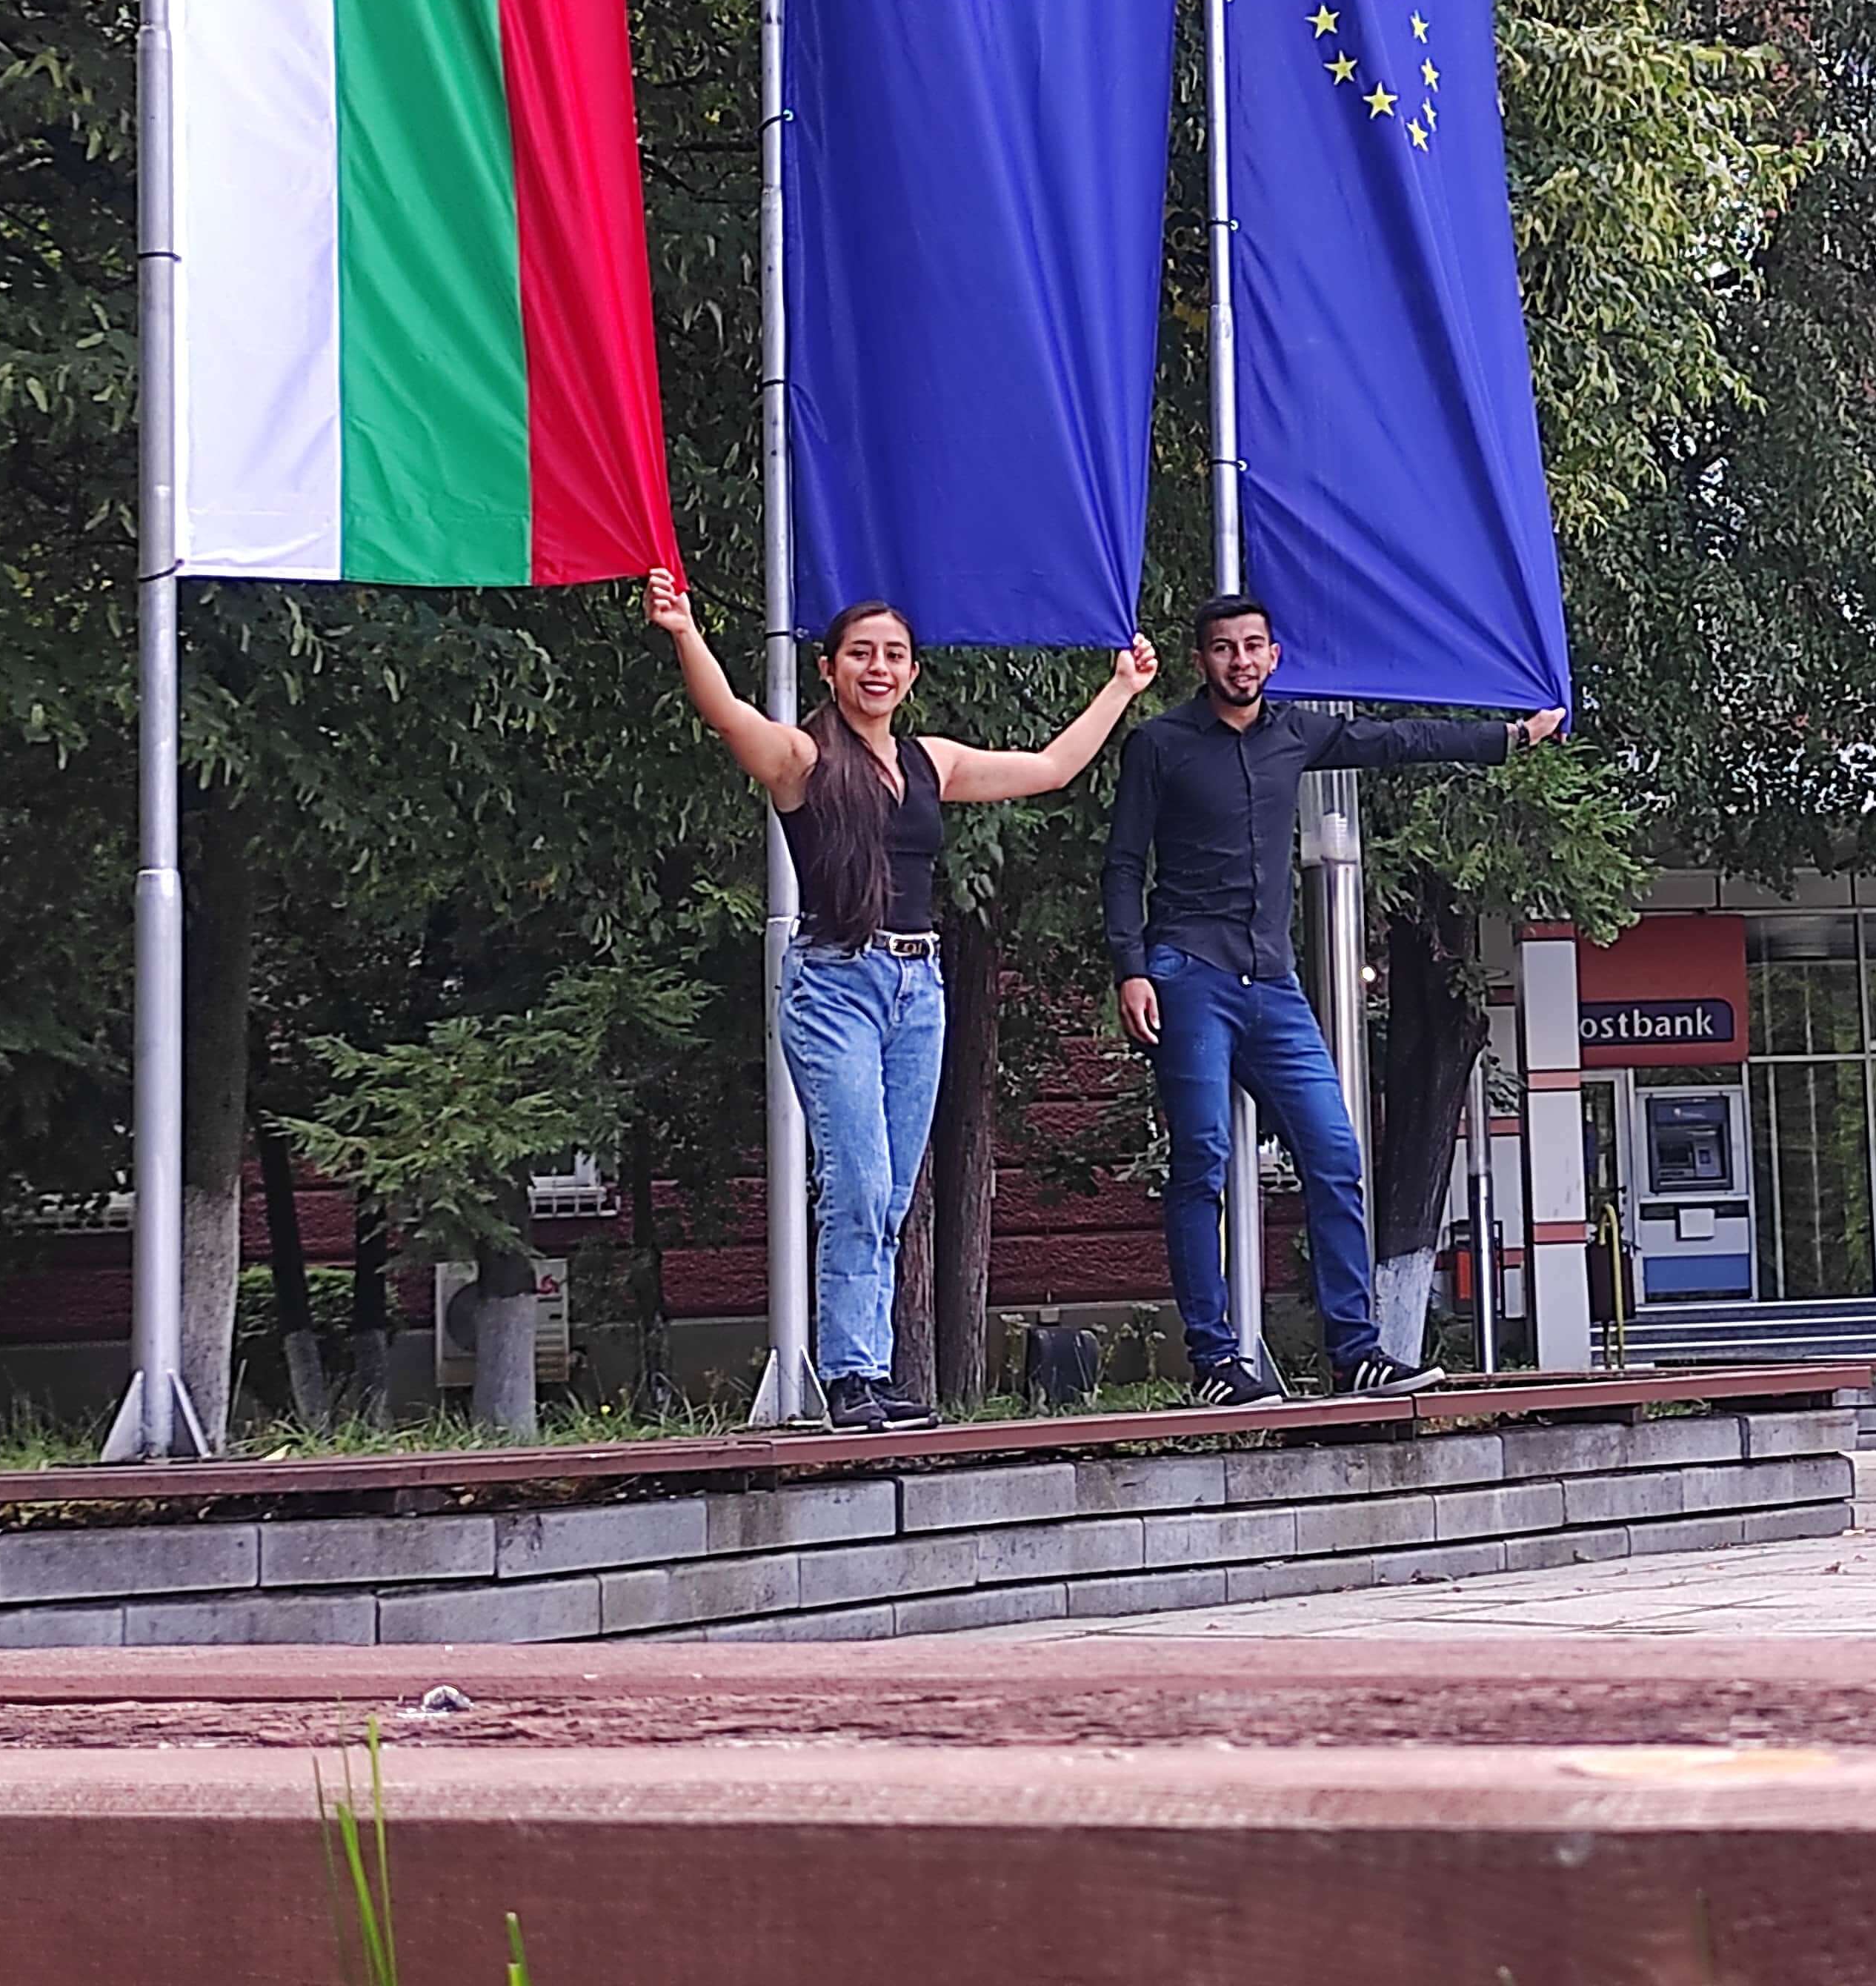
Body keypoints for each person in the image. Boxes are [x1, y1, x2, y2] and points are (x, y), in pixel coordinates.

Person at [648, 568, 1160, 1432]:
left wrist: (1120, 687)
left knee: (889, 1198)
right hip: (835, 981)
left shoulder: (933, 759)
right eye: (860, 654)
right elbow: (727, 714)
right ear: (829, 668)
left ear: (913, 672)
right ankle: (849, 1377)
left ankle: (873, 1371)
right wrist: (683, 630)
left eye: (893, 655)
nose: (877, 668)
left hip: (919, 988)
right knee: (858, 1183)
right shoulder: (804, 759)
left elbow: (1047, 769)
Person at [1106, 593, 1563, 1404]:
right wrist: (1131, 967)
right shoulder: (1159, 744)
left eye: (1253, 646)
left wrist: (1507, 737)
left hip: (1271, 981)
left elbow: (1399, 740)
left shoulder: (1296, 732)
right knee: (1202, 1162)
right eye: (1223, 648)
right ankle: (1216, 1362)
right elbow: (1121, 863)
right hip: (1189, 974)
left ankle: (1356, 1350)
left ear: (1273, 657)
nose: (1239, 660)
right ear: (1200, 660)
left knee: (1336, 1155)